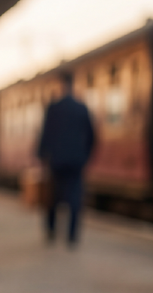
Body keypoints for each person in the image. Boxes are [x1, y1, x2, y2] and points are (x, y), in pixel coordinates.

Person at [37, 71, 97, 248]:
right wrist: (85, 156)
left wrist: (42, 155)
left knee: (53, 197)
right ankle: (72, 236)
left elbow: (45, 134)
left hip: (56, 160)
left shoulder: (53, 108)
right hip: (76, 161)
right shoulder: (81, 108)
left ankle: (51, 230)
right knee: (75, 197)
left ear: (60, 85)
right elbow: (92, 136)